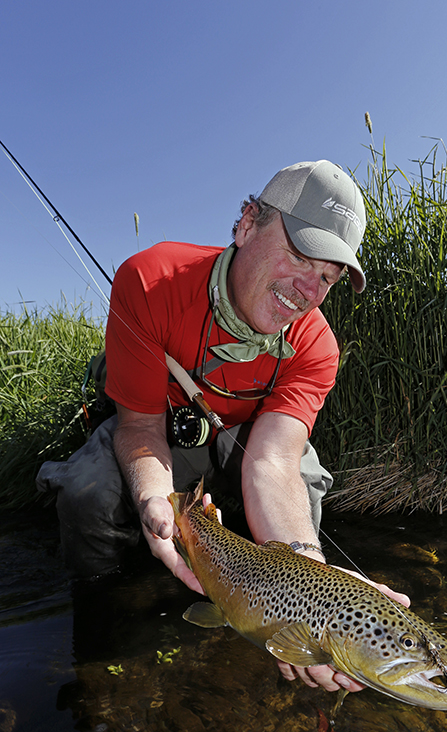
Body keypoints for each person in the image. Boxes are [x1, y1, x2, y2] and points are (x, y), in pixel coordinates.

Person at [37, 159, 410, 692]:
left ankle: (263, 611)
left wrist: (315, 583)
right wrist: (154, 502)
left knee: (305, 494)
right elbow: (139, 426)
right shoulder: (150, 282)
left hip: (253, 446)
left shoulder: (317, 346)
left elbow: (276, 461)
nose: (309, 289)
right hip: (159, 430)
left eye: (328, 277)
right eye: (303, 254)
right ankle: (103, 623)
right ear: (247, 223)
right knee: (87, 494)